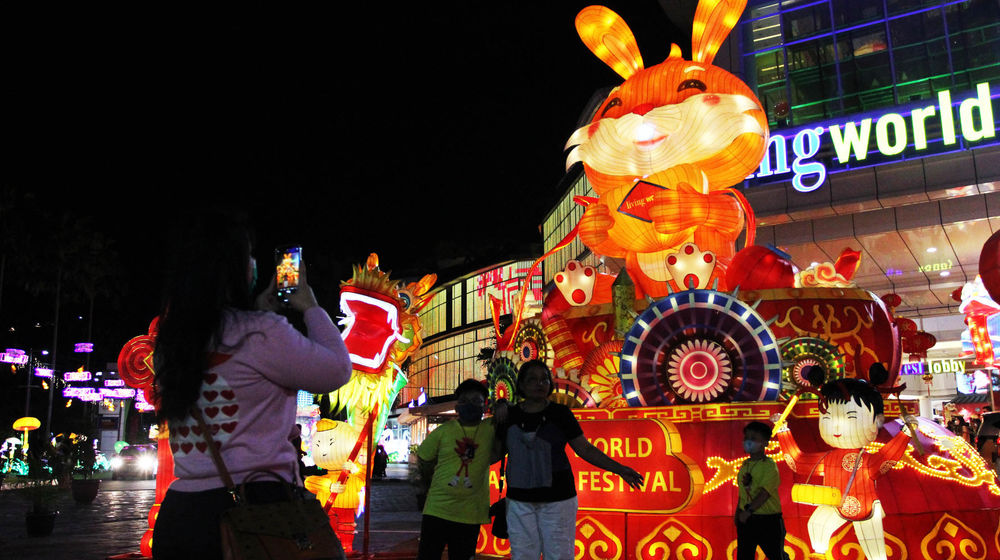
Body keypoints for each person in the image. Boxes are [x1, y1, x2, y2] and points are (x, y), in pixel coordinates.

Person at [150, 210, 353, 560]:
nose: (256, 264)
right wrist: (309, 307)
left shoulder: (172, 340)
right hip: (255, 511)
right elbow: (336, 370)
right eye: (249, 256)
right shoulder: (260, 333)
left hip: (180, 516)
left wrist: (261, 314)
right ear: (233, 267)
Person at [498, 360, 644, 560]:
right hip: (519, 499)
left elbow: (584, 448)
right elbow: (495, 452)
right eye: (532, 380)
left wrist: (619, 469)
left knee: (559, 554)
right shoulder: (508, 415)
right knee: (522, 554)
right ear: (521, 385)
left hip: (558, 499)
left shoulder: (560, 413)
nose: (539, 384)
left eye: (544, 379)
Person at [774, 377, 917, 560]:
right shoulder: (828, 458)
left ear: (876, 423)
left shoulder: (864, 460)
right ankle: (819, 555)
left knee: (875, 551)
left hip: (867, 510)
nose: (836, 424)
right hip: (834, 505)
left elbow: (883, 461)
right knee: (816, 526)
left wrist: (904, 434)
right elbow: (798, 462)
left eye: (850, 416)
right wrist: (783, 431)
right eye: (827, 417)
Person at [416, 378, 499, 560]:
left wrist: (502, 407)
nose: (469, 405)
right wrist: (427, 485)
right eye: (464, 401)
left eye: (476, 401)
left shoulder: (491, 429)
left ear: (485, 407)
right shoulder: (443, 431)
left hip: (470, 514)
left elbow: (502, 445)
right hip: (437, 510)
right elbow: (423, 459)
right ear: (457, 407)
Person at [735, 421, 789, 560]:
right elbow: (742, 492)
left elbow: (764, 493)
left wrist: (748, 511)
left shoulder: (770, 465)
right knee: (744, 556)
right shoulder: (745, 464)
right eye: (746, 438)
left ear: (765, 443)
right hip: (746, 520)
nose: (748, 441)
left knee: (776, 555)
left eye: (753, 438)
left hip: (767, 520)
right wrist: (738, 512)